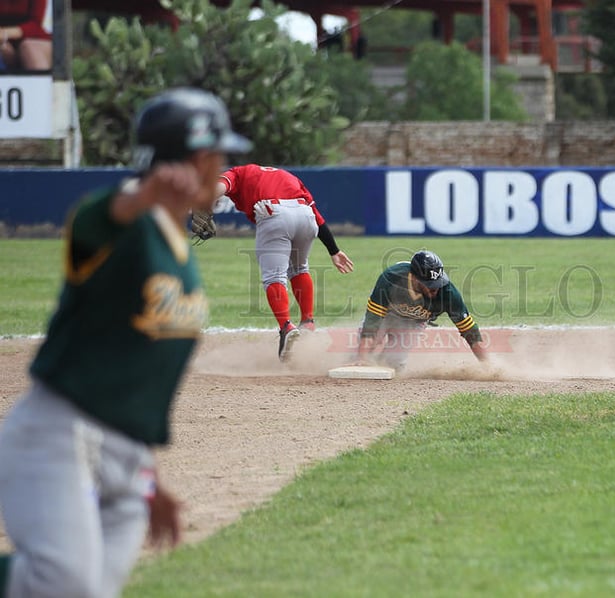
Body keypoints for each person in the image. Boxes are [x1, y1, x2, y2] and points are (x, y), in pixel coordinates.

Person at [0, 87, 251, 597]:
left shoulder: (180, 248)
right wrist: (139, 198)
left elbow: (141, 378)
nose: (224, 167)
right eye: (218, 155)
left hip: (128, 456)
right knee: (62, 584)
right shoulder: (126, 225)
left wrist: (149, 477)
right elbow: (91, 223)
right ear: (198, 160)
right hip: (60, 433)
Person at [214, 164, 354, 361]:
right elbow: (317, 216)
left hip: (274, 213)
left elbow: (220, 186)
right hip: (305, 215)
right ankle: (308, 322)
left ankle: (286, 326)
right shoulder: (287, 176)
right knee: (299, 268)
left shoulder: (238, 172)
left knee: (274, 277)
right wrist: (334, 250)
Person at [356, 250, 487, 371]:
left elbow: (470, 331)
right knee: (366, 351)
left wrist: (488, 365)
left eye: (438, 282)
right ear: (413, 277)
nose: (435, 289)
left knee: (392, 363)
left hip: (414, 323)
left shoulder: (448, 293)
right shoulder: (391, 279)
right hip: (386, 315)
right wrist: (361, 358)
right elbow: (372, 321)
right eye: (429, 284)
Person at [0, 0, 52, 72]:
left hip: (34, 39)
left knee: (29, 48)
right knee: (4, 49)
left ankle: (41, 82)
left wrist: (5, 33)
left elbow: (36, 25)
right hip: (6, 43)